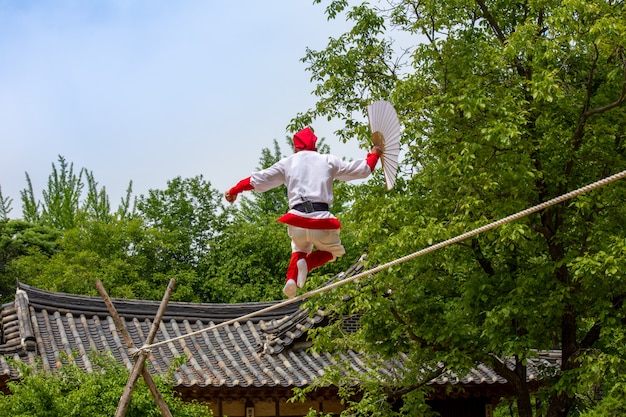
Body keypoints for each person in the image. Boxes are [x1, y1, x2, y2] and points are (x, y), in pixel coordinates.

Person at [225, 127, 382, 299]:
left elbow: (257, 179)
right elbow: (363, 170)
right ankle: (306, 264)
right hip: (321, 220)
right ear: (315, 147)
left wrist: (234, 190)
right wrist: (375, 153)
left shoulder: (288, 162)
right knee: (333, 252)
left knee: (299, 248)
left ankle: (291, 279)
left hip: (297, 221)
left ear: (295, 147)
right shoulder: (327, 160)